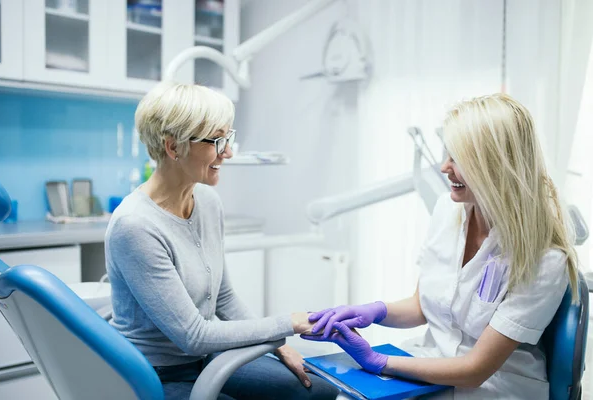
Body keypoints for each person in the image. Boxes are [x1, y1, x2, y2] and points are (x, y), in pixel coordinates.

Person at [303, 93, 579, 399]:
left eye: (457, 158)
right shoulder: (447, 211)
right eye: (446, 153)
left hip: (493, 387)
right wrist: (374, 311)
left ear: (497, 164)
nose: (445, 167)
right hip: (429, 365)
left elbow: (476, 369)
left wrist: (377, 361)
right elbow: (422, 306)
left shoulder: (544, 260)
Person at [105, 81, 339, 400]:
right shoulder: (135, 225)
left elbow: (223, 298)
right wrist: (290, 323)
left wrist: (279, 346)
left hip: (205, 360)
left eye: (227, 138)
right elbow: (194, 335)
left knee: (317, 393)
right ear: (173, 148)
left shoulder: (207, 201)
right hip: (153, 375)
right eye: (216, 140)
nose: (227, 152)